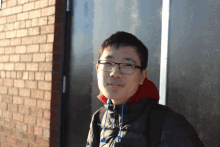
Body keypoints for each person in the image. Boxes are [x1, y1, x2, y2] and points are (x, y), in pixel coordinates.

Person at [86, 31, 205, 147]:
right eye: (108, 63)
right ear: (97, 69)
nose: (115, 73)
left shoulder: (169, 125)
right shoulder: (99, 118)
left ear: (142, 76)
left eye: (127, 65)